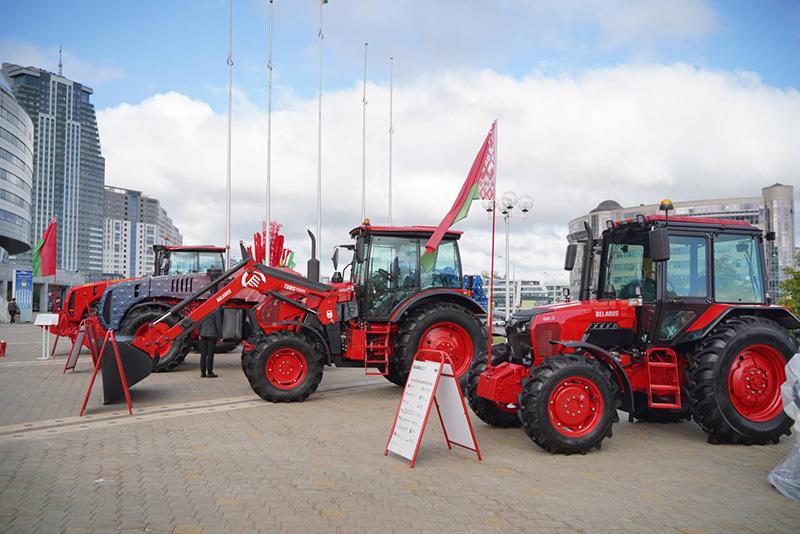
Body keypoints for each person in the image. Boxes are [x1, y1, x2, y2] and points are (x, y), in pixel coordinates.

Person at [198, 308, 222, 378]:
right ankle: (210, 372)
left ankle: (202, 373)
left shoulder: (203, 309)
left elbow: (199, 323)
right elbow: (218, 324)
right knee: (210, 354)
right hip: (212, 334)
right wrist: (220, 335)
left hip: (203, 334)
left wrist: (200, 333)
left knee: (203, 353)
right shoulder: (216, 310)